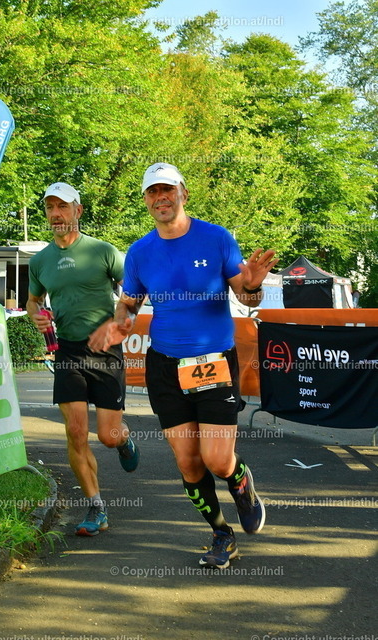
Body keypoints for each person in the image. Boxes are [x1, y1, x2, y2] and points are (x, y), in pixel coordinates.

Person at [90, 163, 278, 568]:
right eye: (152, 192)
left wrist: (253, 285)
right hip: (165, 366)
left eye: (167, 190)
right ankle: (221, 534)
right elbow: (130, 303)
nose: (160, 197)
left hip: (213, 361)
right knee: (189, 463)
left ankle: (240, 481)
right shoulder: (139, 252)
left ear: (183, 193)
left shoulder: (216, 238)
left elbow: (247, 299)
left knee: (217, 460)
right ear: (146, 200)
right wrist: (118, 323)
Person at [27, 181, 139, 537]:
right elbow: (33, 301)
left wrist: (122, 319)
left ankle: (123, 440)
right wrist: (37, 315)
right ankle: (96, 507)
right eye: (50, 207)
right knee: (76, 432)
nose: (56, 214)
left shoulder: (103, 251)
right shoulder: (40, 261)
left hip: (105, 351)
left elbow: (133, 291)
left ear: (78, 210)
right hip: (68, 352)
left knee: (107, 435)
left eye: (63, 206)